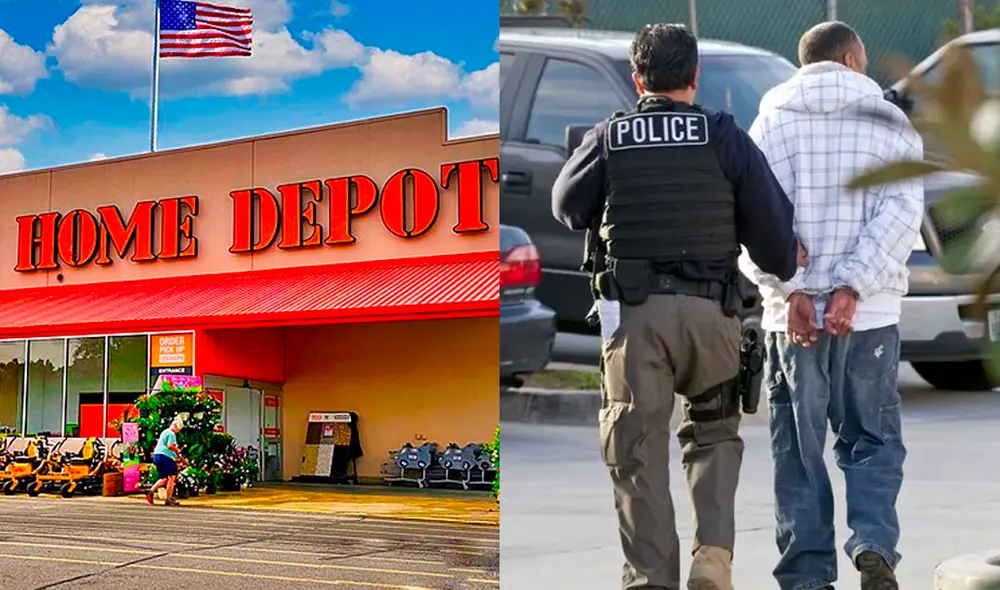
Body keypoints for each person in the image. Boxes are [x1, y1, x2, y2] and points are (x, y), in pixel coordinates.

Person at [552, 23, 804, 590]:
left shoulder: (610, 137)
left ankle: (650, 579)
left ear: (636, 77)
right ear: (695, 77)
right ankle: (712, 560)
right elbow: (773, 237)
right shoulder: (723, 136)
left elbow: (567, 207)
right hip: (712, 320)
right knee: (714, 435)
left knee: (635, 448)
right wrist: (784, 264)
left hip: (635, 323)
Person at [738, 21, 923, 590]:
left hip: (790, 324)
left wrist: (790, 289)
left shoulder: (767, 123)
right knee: (872, 439)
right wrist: (851, 287)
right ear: (849, 59)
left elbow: (747, 222)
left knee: (798, 451)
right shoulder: (889, 120)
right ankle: (872, 545)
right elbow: (899, 214)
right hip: (867, 320)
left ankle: (807, 576)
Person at [146, 416, 185, 507]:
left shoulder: (165, 432)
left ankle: (150, 492)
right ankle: (168, 498)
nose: (178, 431)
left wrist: (178, 457)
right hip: (165, 457)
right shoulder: (171, 434)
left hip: (158, 456)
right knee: (172, 477)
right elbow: (170, 446)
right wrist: (178, 451)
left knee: (164, 478)